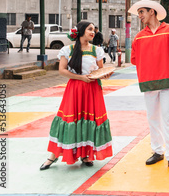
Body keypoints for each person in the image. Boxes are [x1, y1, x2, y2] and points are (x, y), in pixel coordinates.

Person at [39, 21, 113, 170]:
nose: (93, 32)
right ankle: (53, 156)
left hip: (92, 89)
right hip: (75, 89)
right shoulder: (68, 50)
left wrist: (104, 76)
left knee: (88, 120)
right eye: (89, 29)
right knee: (69, 119)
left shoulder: (96, 50)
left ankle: (85, 155)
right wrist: (81, 78)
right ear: (80, 31)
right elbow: (62, 70)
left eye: (94, 30)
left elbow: (100, 70)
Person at [129, 0, 169, 173]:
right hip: (148, 82)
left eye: (142, 12)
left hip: (167, 81)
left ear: (152, 12)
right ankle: (158, 151)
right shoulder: (139, 37)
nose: (140, 16)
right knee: (153, 118)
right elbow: (134, 59)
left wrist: (167, 59)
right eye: (139, 12)